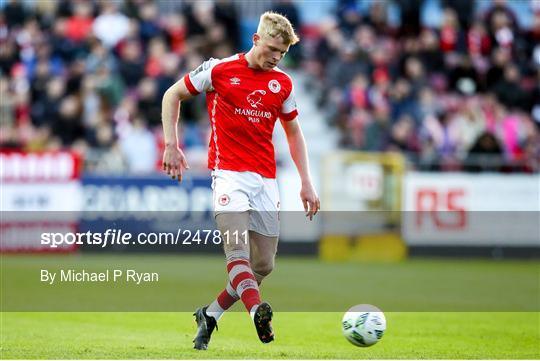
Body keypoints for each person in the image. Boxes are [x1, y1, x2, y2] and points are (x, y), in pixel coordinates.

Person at [161, 11, 320, 350]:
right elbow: (171, 95)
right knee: (238, 255)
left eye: (282, 53)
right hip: (228, 176)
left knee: (263, 264)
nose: (276, 57)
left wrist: (306, 181)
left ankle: (211, 314)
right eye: (272, 49)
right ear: (256, 40)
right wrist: (171, 145)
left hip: (265, 181)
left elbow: (294, 133)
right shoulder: (219, 70)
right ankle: (256, 313)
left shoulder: (283, 84)